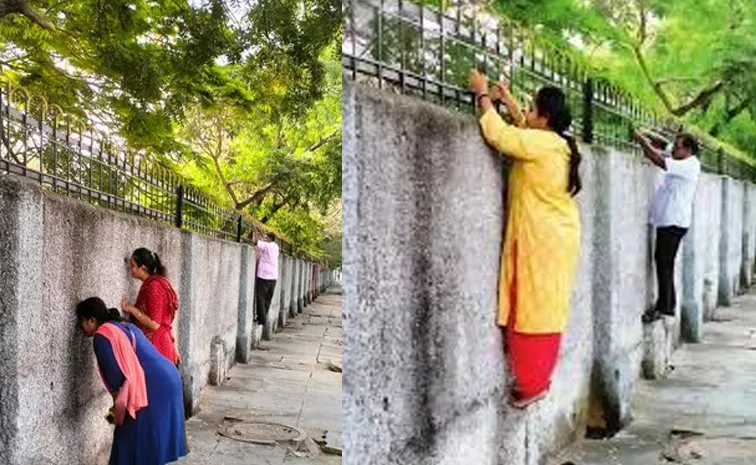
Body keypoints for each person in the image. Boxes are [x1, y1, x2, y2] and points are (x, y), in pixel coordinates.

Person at [469, 69, 582, 409]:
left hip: (543, 240)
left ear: (545, 118)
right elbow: (523, 133)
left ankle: (532, 382)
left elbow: (501, 136)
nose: (527, 114)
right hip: (553, 236)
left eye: (532, 110)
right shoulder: (555, 142)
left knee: (534, 308)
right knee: (541, 306)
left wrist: (482, 95)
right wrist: (512, 103)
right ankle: (534, 378)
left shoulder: (544, 144)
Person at [76, 297, 187, 465]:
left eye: (81, 322)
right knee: (149, 443)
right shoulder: (124, 325)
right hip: (169, 377)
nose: (80, 327)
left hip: (152, 386)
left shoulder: (101, 336)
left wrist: (113, 415)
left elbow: (118, 382)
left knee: (127, 443)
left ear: (92, 320)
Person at [632, 128, 701, 323]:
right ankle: (667, 305)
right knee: (664, 262)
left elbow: (658, 158)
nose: (673, 150)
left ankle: (665, 306)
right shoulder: (682, 158)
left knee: (664, 262)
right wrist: (649, 133)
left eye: (678, 147)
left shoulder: (689, 165)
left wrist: (641, 140)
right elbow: (664, 145)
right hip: (670, 220)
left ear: (688, 150)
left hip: (674, 222)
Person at [121, 248, 181, 365]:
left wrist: (131, 309)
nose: (130, 270)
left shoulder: (154, 287)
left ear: (142, 268)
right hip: (161, 343)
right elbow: (166, 322)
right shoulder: (157, 283)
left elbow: (155, 324)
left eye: (133, 266)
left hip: (157, 345)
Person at [254, 231, 280, 327]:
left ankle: (262, 319)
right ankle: (263, 317)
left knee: (260, 298)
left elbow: (255, 242)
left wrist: (254, 230)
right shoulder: (276, 247)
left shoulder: (267, 246)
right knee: (267, 299)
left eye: (265, 238)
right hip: (273, 277)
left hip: (264, 276)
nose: (264, 239)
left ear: (269, 239)